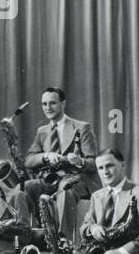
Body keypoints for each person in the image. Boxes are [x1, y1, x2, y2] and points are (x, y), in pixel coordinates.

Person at [22, 87, 98, 242]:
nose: (48, 108)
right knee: (24, 188)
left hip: (75, 179)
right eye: (44, 104)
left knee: (65, 188)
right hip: (51, 180)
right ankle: (30, 235)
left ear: (63, 104)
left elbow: (93, 164)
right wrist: (46, 156)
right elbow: (28, 160)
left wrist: (79, 161)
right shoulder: (42, 131)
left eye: (52, 103)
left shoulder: (82, 127)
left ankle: (64, 239)